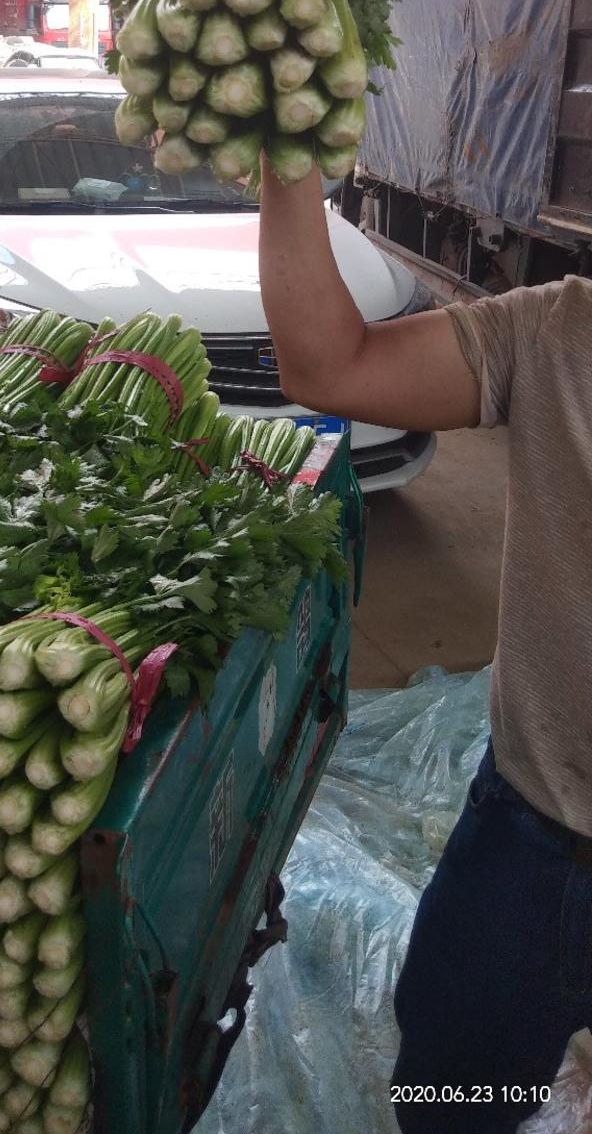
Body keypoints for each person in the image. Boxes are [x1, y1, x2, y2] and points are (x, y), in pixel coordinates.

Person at [258, 158, 592, 1133]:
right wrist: (284, 171)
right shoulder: (558, 331)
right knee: (451, 1095)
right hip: (535, 842)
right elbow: (329, 366)